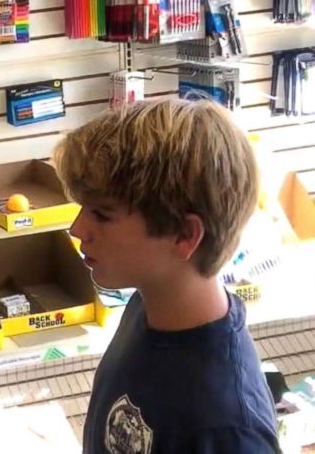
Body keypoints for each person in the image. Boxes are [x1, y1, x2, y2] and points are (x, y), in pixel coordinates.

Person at [51, 98, 281, 454]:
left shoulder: (228, 428)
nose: (77, 228)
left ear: (185, 235)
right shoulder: (147, 304)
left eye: (102, 214)